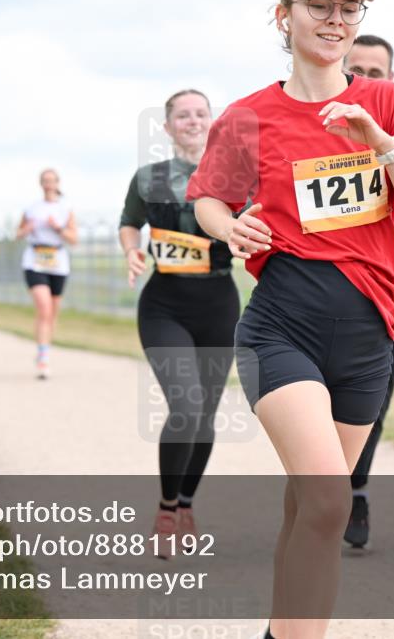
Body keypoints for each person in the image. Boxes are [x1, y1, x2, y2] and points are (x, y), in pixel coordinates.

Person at [188, 0, 394, 636]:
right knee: (331, 501)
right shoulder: (249, 114)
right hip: (282, 326)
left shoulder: (391, 102)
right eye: (319, 5)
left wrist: (382, 143)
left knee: (310, 509)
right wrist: (230, 228)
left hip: (369, 334)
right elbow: (209, 198)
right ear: (284, 16)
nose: (335, 19)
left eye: (350, 7)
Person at [120, 90, 240, 557]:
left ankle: (187, 502)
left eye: (201, 113)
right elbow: (129, 222)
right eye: (182, 115)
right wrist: (130, 248)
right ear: (168, 128)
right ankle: (167, 509)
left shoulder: (238, 177)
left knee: (206, 415)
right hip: (164, 305)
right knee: (186, 406)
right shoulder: (149, 178)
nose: (192, 121)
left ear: (212, 123)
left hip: (218, 304)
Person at [340, 34, 394, 549]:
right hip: (322, 284)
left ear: (391, 80)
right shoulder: (311, 126)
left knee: (375, 392)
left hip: (389, 284)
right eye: (358, 70)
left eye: (378, 72)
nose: (367, 80)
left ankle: (357, 488)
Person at [17, 168, 78, 379]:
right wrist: (28, 228)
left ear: (57, 183)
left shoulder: (65, 208)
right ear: (40, 183)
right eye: (44, 180)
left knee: (52, 312)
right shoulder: (31, 208)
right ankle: (43, 358)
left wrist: (58, 227)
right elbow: (18, 233)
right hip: (35, 259)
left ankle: (44, 348)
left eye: (51, 180)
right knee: (43, 308)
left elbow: (73, 238)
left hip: (57, 261)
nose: (48, 184)